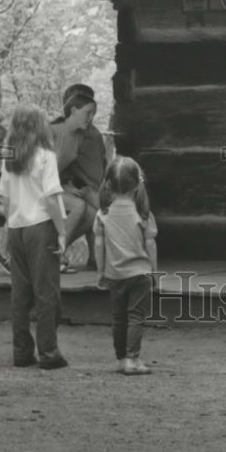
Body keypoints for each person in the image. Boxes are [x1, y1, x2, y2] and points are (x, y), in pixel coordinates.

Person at [0, 104, 69, 369]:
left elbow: (3, 198)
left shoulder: (10, 158)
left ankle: (21, 352)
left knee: (20, 294)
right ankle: (48, 352)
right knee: (46, 292)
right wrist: (62, 232)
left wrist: (8, 226)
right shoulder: (45, 156)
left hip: (17, 228)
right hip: (41, 227)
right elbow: (51, 198)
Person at [94, 156, 158, 376]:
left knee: (118, 318)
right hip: (140, 273)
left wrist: (101, 271)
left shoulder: (102, 214)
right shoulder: (143, 214)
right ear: (138, 183)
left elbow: (99, 245)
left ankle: (121, 358)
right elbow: (150, 244)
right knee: (135, 317)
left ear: (109, 184)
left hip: (115, 274)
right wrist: (154, 272)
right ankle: (133, 358)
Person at [50, 84, 106, 273]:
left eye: (93, 112)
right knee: (83, 206)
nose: (90, 117)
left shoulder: (86, 135)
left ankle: (89, 256)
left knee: (93, 212)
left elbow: (99, 162)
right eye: (88, 112)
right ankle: (53, 255)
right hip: (38, 189)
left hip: (82, 186)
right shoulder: (54, 131)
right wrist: (65, 185)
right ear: (72, 108)